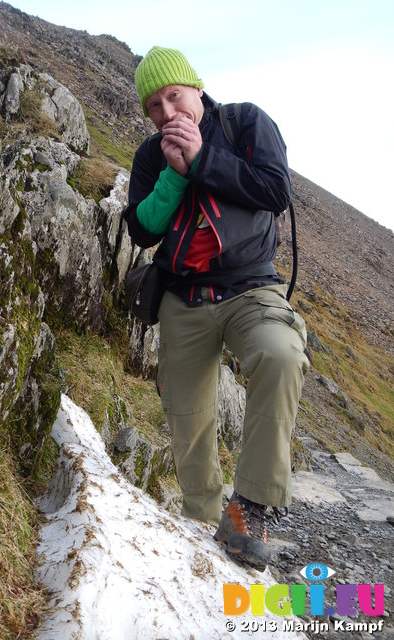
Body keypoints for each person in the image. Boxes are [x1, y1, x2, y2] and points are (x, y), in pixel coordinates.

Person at [123, 46, 309, 571]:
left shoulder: (245, 122)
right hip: (183, 298)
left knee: (281, 355)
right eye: (154, 106)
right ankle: (203, 523)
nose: (166, 112)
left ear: (196, 88)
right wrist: (176, 174)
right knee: (188, 419)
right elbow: (141, 227)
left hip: (251, 288)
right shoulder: (150, 155)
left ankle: (249, 508)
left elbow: (275, 190)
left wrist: (204, 159)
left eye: (173, 96)